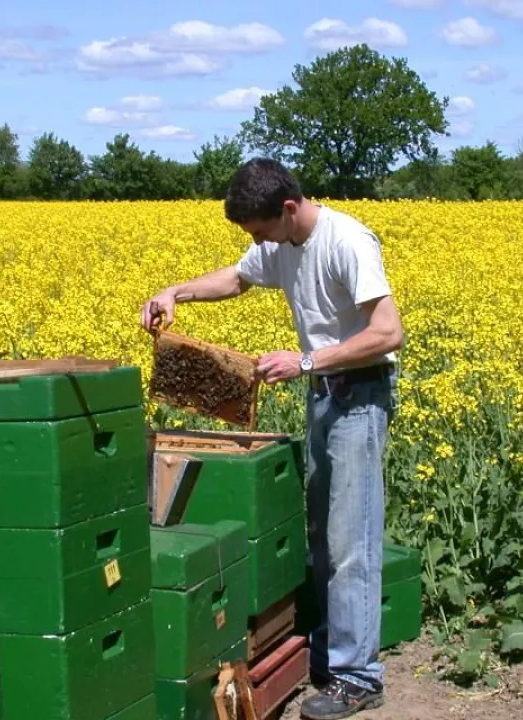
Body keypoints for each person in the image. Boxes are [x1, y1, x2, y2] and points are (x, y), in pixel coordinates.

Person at [140, 157, 403, 720]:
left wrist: (306, 358)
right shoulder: (279, 245)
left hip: (360, 394)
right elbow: (236, 278)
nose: (258, 243)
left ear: (287, 208)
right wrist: (176, 292)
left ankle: (360, 677)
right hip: (327, 393)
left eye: (260, 231)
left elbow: (387, 333)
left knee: (351, 537)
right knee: (322, 534)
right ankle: (334, 655)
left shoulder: (347, 241)